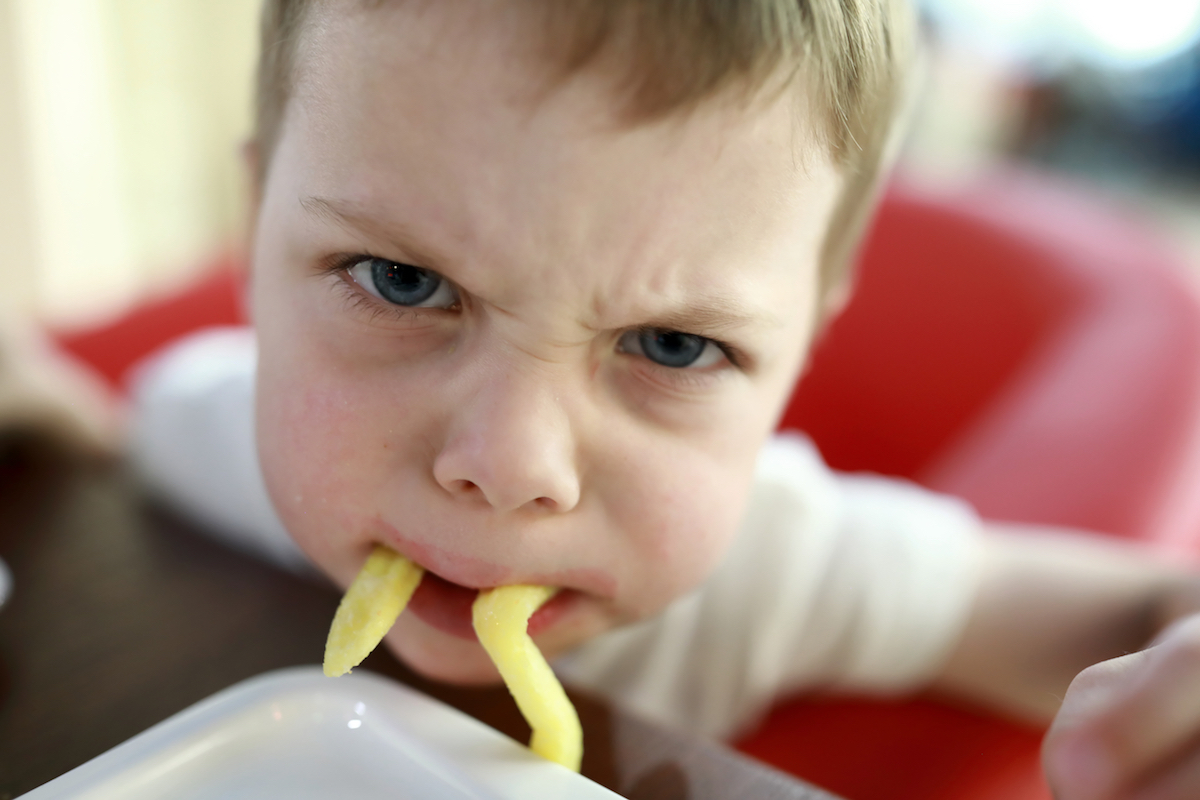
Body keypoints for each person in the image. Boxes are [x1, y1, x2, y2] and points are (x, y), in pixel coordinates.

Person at [128, 1, 1200, 798]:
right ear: (257, 222)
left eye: (671, 343)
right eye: (405, 281)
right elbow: (116, 417)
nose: (508, 463)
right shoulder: (215, 428)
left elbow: (1133, 612)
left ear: (808, 337)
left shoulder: (777, 567)